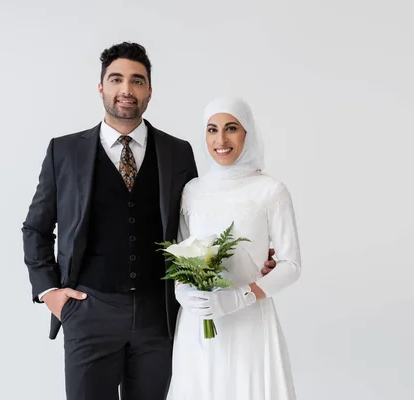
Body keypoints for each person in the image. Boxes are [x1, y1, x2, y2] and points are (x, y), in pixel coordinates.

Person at [21, 42, 277, 400]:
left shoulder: (178, 151)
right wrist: (50, 293)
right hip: (88, 311)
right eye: (116, 79)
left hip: (161, 316)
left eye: (137, 81)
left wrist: (254, 252)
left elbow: (198, 222)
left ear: (149, 91)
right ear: (101, 88)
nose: (126, 90)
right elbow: (36, 227)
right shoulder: (63, 151)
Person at [166, 97, 302, 400]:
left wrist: (240, 297)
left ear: (247, 133)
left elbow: (291, 265)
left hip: (250, 320)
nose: (221, 139)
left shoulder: (270, 190)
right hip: (198, 324)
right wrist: (185, 293)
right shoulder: (193, 190)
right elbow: (180, 252)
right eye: (212, 130)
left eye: (231, 128)